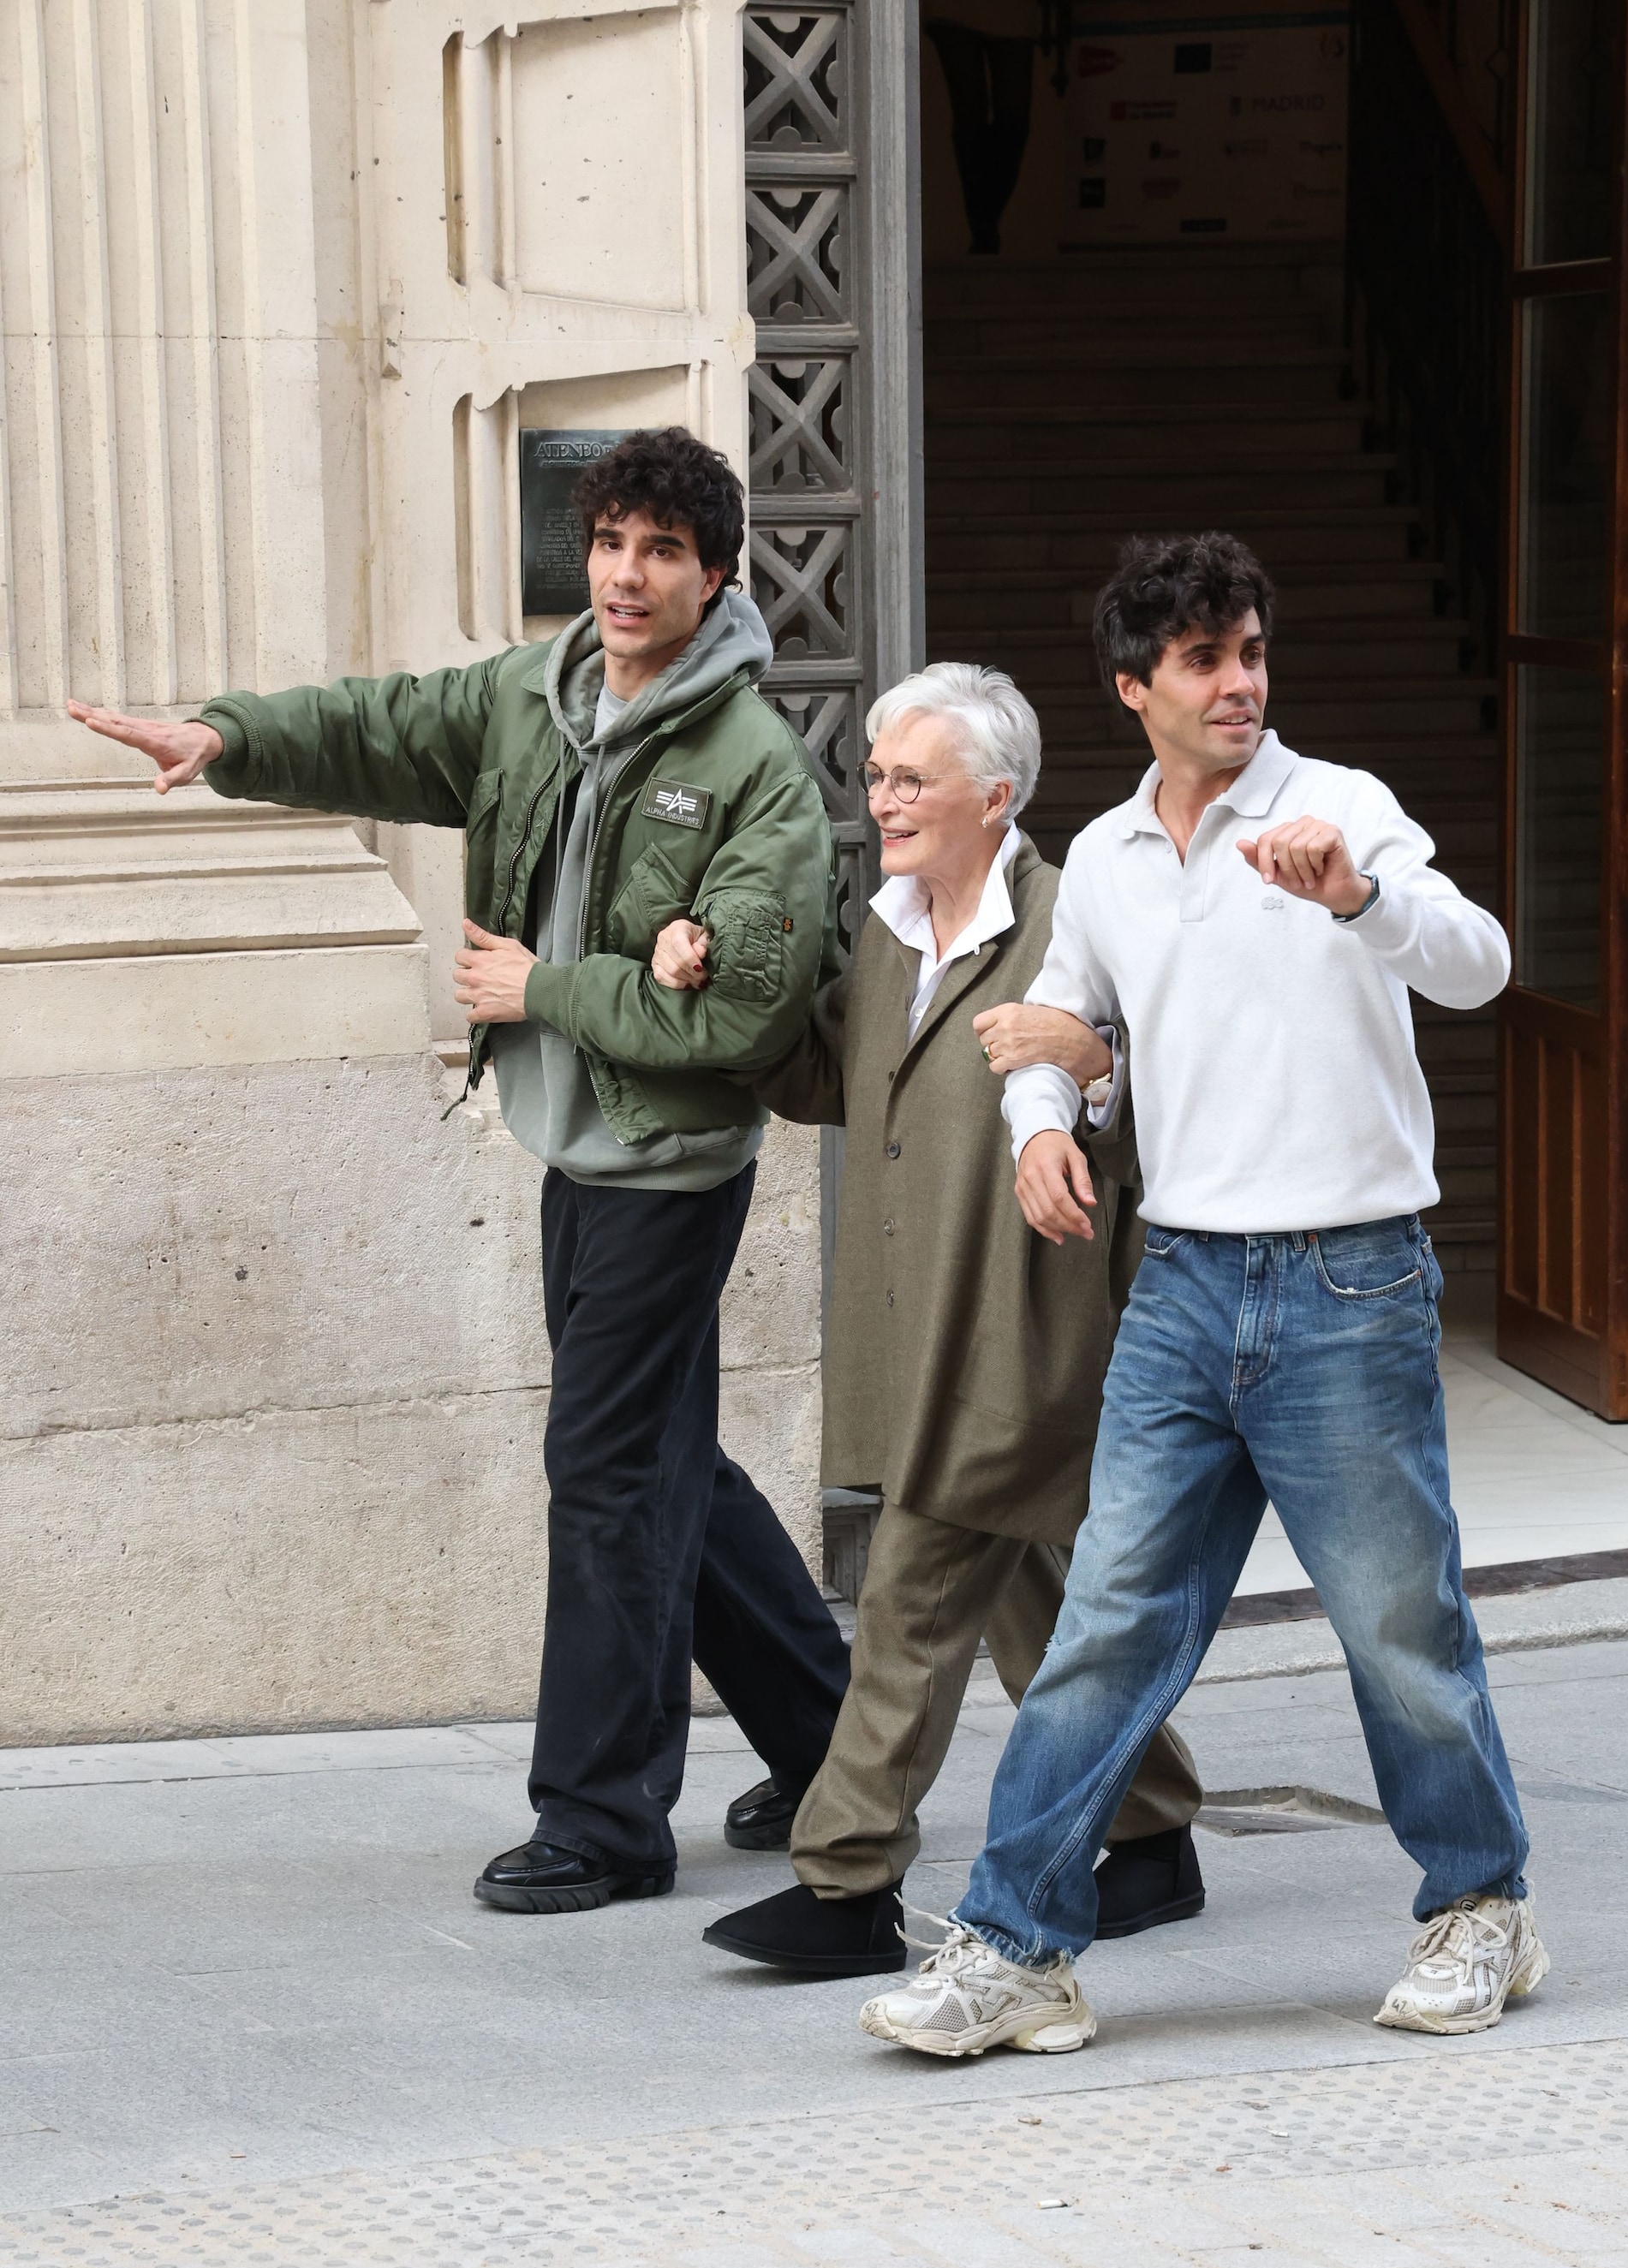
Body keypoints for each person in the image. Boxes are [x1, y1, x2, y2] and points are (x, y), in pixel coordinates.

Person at [69, 426, 850, 1909]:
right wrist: (226, 738)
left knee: (605, 1469)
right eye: (611, 542)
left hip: (670, 1165)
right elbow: (384, 723)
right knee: (661, 1459)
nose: (626, 574)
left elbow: (744, 1010)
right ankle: (833, 1742)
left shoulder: (751, 764)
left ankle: (605, 1819)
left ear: (717, 578)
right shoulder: (532, 697)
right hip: (575, 1145)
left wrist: (543, 987)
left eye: (662, 552)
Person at [858, 532, 1547, 2057]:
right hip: (1179, 1285)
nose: (1238, 684)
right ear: (1134, 690)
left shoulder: (1339, 807)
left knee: (1394, 1622)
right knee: (1107, 1624)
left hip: (1351, 1282)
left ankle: (1479, 1908)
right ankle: (1018, 1949)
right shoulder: (1100, 860)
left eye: (1250, 653)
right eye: (1203, 661)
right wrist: (1044, 1130)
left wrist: (1359, 898)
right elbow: (1058, 1025)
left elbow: (1482, 966)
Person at [647, 664, 1207, 1979]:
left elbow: (1162, 1090)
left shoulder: (1079, 916)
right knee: (1041, 1603)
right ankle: (1154, 1828)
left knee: (912, 1593)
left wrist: (1093, 1080)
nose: (880, 799)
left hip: (1035, 1320)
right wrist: (713, 978)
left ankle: (847, 1884)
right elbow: (826, 1073)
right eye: (879, 774)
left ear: (995, 797)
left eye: (911, 779)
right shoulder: (893, 928)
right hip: (918, 1315)